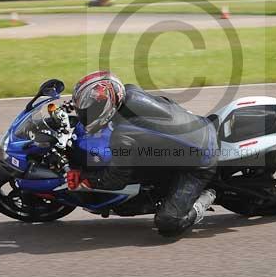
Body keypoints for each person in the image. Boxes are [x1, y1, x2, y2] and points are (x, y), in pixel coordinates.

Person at [66, 71, 218, 236]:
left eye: (89, 110)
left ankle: (205, 198)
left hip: (200, 162)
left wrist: (84, 178)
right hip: (198, 127)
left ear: (105, 106)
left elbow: (115, 180)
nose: (84, 115)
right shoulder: (130, 92)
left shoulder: (123, 135)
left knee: (168, 222)